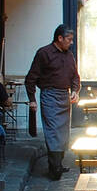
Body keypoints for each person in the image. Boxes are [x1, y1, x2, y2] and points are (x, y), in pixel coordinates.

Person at [25, 24, 81, 180]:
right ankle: (55, 167)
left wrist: (75, 91)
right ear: (60, 38)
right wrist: (32, 99)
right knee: (53, 132)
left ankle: (57, 164)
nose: (71, 43)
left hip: (64, 95)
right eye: (69, 39)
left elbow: (75, 76)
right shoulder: (44, 53)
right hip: (49, 95)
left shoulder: (69, 55)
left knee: (63, 133)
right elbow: (31, 78)